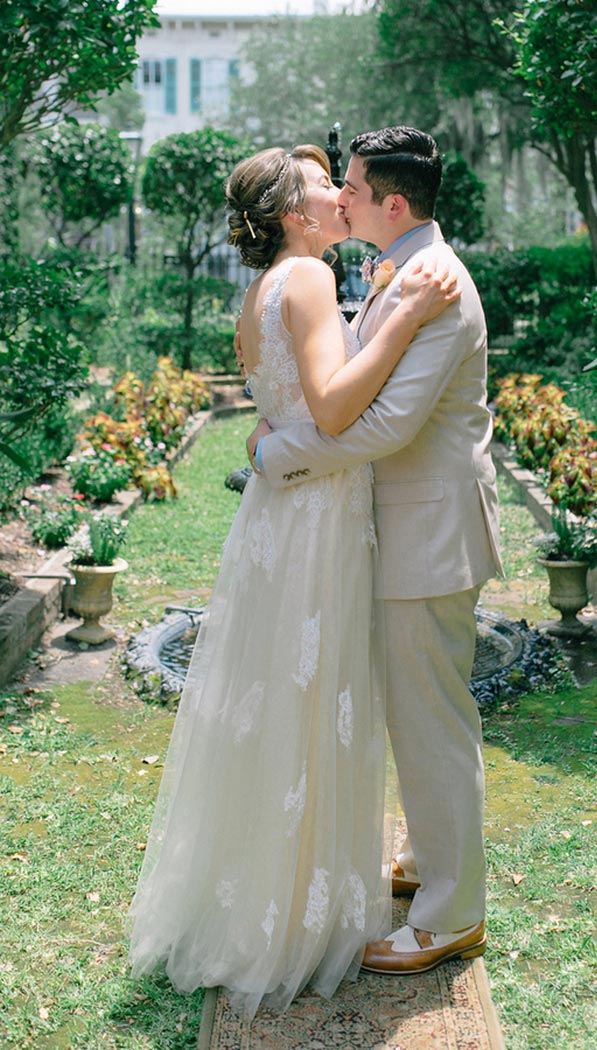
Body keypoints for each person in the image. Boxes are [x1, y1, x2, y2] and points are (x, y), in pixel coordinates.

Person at [127, 142, 458, 1017]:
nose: (340, 196)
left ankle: (264, 885)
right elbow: (337, 405)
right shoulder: (307, 279)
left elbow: (287, 410)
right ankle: (298, 908)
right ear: (293, 214)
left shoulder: (267, 288)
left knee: (278, 702)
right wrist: (401, 316)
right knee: (310, 701)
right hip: (314, 520)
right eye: (324, 186)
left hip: (286, 516)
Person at [246, 126, 504, 975]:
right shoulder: (396, 270)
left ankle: (451, 914)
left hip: (430, 533)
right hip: (397, 526)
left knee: (431, 722)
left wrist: (278, 454)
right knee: (414, 714)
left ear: (394, 203)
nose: (342, 195)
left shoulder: (439, 281)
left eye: (353, 186)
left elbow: (388, 423)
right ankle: (434, 866)